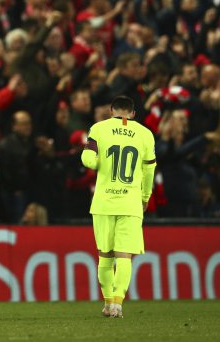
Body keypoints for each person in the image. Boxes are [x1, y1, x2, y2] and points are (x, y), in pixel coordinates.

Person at [81, 95, 156, 319]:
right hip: (131, 202)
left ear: (111, 110)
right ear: (133, 113)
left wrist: (95, 163)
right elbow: (150, 170)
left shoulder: (98, 128)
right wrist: (145, 197)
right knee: (124, 256)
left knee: (105, 256)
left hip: (104, 202)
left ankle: (106, 302)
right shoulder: (145, 134)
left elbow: (88, 159)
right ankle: (118, 304)